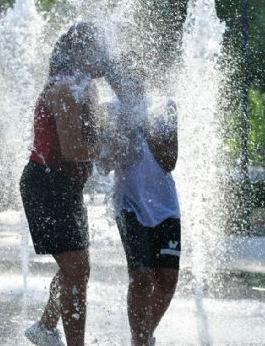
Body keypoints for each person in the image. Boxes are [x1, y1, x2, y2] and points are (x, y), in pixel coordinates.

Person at [20, 22, 108, 346]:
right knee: (76, 269)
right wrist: (108, 147)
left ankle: (45, 328)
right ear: (80, 53)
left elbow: (93, 142)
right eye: (97, 47)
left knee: (78, 269)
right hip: (47, 184)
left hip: (65, 186)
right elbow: (75, 150)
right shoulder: (64, 89)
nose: (104, 54)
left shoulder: (86, 88)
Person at [99, 55, 180, 346]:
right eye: (124, 78)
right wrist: (123, 126)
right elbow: (105, 163)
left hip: (166, 206)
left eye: (137, 76)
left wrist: (142, 124)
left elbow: (170, 161)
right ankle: (139, 340)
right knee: (142, 276)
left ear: (144, 78)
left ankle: (143, 336)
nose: (132, 82)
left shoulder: (164, 107)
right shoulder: (108, 111)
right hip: (128, 204)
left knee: (167, 281)